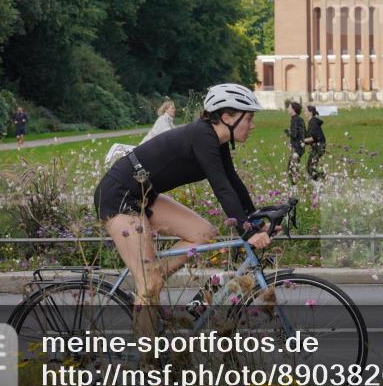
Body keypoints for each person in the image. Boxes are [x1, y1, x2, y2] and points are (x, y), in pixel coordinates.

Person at [93, 83, 271, 336]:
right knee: (149, 283)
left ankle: (150, 283)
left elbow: (233, 183)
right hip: (119, 194)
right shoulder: (203, 134)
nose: (252, 125)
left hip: (144, 194)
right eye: (249, 118)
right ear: (227, 117)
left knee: (203, 234)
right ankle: (149, 364)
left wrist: (255, 220)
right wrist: (247, 231)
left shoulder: (217, 141)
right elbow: (220, 188)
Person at [285, 101, 306, 185]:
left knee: (291, 169)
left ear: (293, 109)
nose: (288, 109)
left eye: (289, 107)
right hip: (300, 147)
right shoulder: (300, 119)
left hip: (296, 149)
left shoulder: (294, 120)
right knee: (294, 168)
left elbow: (294, 134)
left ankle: (300, 187)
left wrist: (288, 132)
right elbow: (304, 132)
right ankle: (302, 186)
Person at [304, 104, 327, 181]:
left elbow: (314, 137)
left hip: (319, 148)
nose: (304, 113)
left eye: (306, 111)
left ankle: (324, 178)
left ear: (310, 113)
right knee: (310, 167)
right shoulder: (312, 121)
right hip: (318, 147)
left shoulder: (313, 122)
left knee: (310, 168)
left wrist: (303, 141)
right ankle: (320, 179)